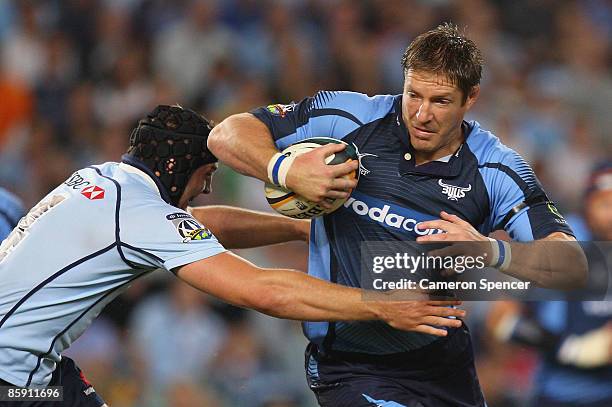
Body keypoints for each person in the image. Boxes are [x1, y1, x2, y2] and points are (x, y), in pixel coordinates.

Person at [208, 23, 587, 407]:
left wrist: (491, 251)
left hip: (445, 366)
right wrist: (284, 170)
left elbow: (574, 267)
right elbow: (227, 134)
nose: (421, 114)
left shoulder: (496, 169)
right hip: (353, 367)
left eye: (439, 101)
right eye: (413, 95)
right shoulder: (351, 118)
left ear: (471, 97)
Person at [0, 105, 464, 406]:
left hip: (35, 371)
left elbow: (205, 225)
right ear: (176, 168)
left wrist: (301, 230)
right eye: (205, 175)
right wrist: (380, 304)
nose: (206, 188)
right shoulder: (140, 216)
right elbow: (263, 292)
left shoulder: (105, 180)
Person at [488, 161, 612, 407]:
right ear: (587, 204)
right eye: (606, 204)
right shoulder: (560, 243)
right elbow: (501, 321)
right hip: (557, 394)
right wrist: (571, 348)